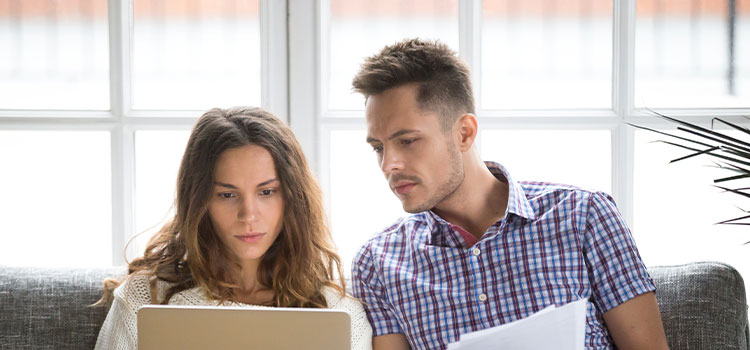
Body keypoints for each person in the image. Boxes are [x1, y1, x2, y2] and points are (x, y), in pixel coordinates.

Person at [350, 38, 669, 350]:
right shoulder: (378, 263)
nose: (388, 164)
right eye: (378, 147)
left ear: (464, 133)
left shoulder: (585, 216)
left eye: (406, 141)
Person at [95, 107, 372, 350]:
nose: (248, 215)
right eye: (227, 195)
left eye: (266, 192)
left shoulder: (339, 312)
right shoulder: (145, 298)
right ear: (199, 201)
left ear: (293, 197)